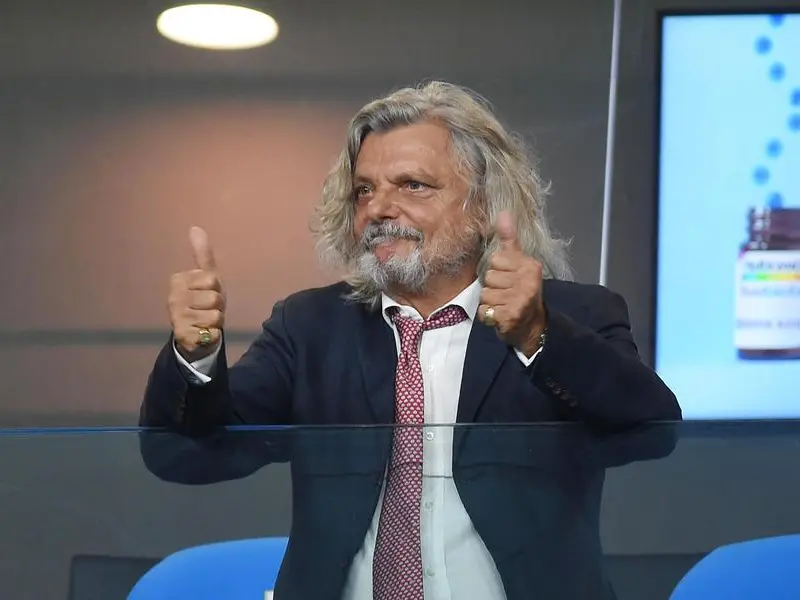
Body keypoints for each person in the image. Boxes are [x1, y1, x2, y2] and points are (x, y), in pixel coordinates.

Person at [140, 80, 682, 600]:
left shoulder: (573, 315)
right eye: (364, 190)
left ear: (484, 206)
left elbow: (652, 432)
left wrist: (536, 334)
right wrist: (196, 353)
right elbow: (187, 453)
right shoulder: (311, 328)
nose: (378, 208)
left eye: (412, 185)